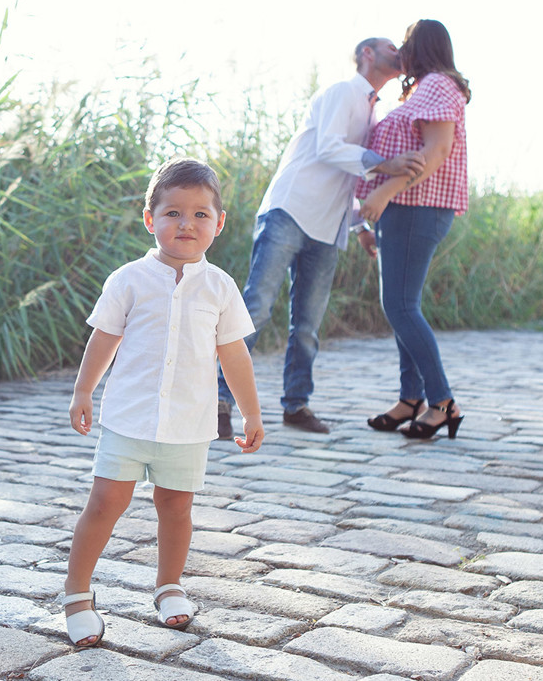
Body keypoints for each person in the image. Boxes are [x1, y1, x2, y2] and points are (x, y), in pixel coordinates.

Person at [63, 157, 266, 648]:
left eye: (200, 214)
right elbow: (104, 339)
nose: (186, 224)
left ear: (218, 224)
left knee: (176, 506)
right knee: (106, 503)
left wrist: (251, 410)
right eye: (173, 213)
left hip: (190, 423)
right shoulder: (129, 279)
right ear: (150, 219)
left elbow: (233, 354)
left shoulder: (219, 287)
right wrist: (83, 390)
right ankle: (76, 594)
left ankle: (169, 586)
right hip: (129, 417)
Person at [216, 37, 425, 437]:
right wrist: (387, 164)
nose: (399, 51)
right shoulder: (342, 91)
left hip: (328, 227)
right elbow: (330, 148)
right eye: (389, 45)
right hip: (290, 211)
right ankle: (220, 400)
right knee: (256, 307)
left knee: (308, 326)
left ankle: (296, 406)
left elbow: (344, 177)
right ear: (367, 53)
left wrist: (360, 226)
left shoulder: (373, 113)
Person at [357, 19, 471, 440]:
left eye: (406, 43)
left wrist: (384, 192)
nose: (401, 51)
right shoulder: (422, 88)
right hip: (404, 209)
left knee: (401, 307)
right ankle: (411, 399)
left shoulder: (439, 84)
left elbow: (437, 150)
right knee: (402, 306)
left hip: (418, 206)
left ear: (421, 46)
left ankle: (442, 402)